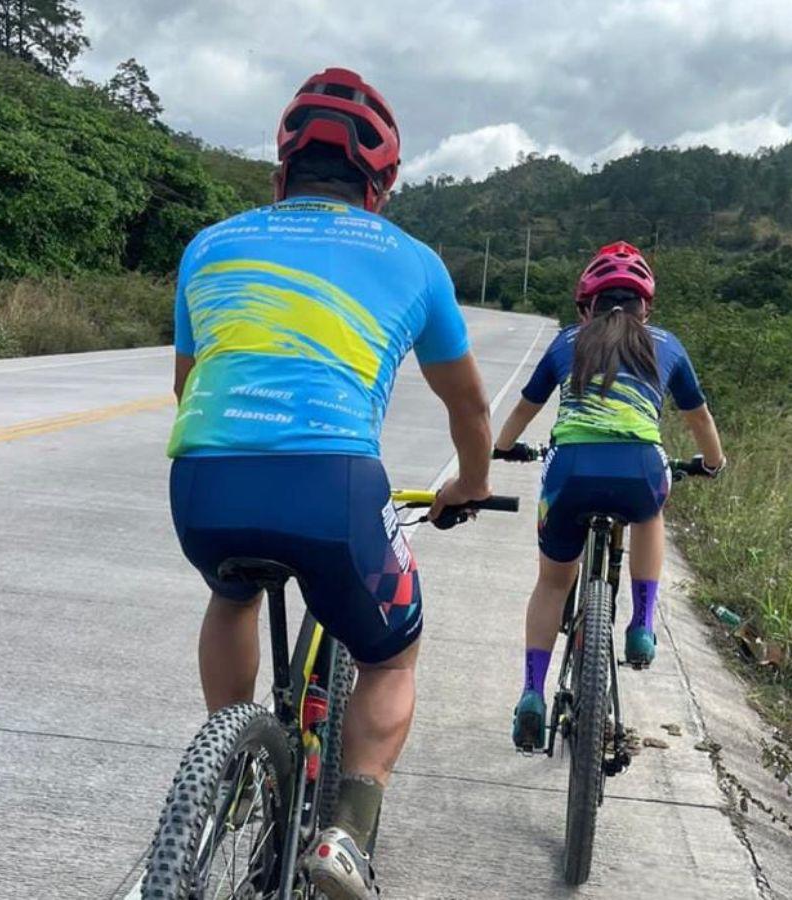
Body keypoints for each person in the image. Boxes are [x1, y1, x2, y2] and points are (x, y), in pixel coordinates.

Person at [166, 67, 492, 898]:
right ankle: (347, 832)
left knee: (233, 594)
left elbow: (187, 385)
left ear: (280, 176)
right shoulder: (414, 262)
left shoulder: (210, 244)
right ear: (379, 189)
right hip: (334, 487)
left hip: (203, 481)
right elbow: (468, 409)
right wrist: (469, 486)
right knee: (392, 653)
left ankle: (229, 762)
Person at [492, 241, 726, 751]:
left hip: (570, 472)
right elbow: (700, 419)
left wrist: (504, 448)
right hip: (640, 468)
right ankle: (641, 624)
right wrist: (712, 463)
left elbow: (525, 409)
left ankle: (532, 693)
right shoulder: (666, 344)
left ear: (584, 306)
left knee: (553, 584)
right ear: (647, 307)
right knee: (650, 513)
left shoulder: (565, 343)